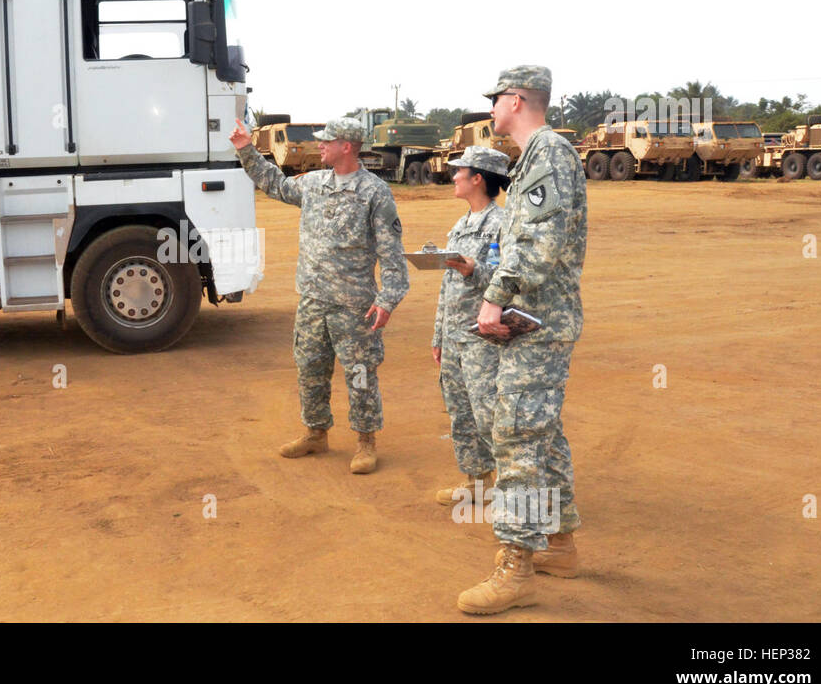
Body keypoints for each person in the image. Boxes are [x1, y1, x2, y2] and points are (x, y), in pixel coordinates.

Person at [456, 65, 588, 615]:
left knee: (517, 437)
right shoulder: (538, 155)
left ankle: (516, 565)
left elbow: (539, 239)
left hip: (536, 321)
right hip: (537, 320)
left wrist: (495, 294)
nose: (490, 110)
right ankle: (560, 543)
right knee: (542, 432)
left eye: (495, 101)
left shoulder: (547, 151)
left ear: (516, 99)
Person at [229, 117, 410, 474]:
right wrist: (245, 149)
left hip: (354, 305)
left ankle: (365, 441)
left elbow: (391, 254)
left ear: (347, 146)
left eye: (327, 142)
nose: (319, 146)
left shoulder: (374, 192)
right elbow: (275, 184)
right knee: (310, 369)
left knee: (359, 373)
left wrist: (387, 300)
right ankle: (315, 432)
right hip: (313, 301)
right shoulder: (313, 184)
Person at [429, 146, 510, 507]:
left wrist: (474, 269)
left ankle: (513, 491)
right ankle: (478, 483)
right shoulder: (460, 225)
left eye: (459, 171)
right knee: (461, 413)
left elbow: (508, 283)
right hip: (454, 335)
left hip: (482, 339)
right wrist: (438, 336)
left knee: (489, 416)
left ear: (478, 178)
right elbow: (447, 287)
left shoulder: (501, 225)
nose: (454, 176)